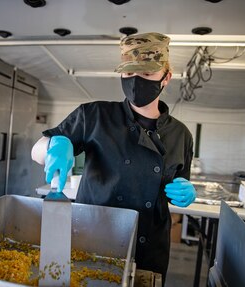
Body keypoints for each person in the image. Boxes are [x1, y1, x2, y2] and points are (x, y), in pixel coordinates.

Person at [31, 32, 196, 284]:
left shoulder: (181, 134)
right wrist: (55, 143)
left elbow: (181, 182)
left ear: (166, 78)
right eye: (129, 74)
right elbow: (37, 151)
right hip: (94, 237)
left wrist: (187, 190)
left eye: (147, 74)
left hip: (149, 247)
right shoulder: (95, 115)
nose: (136, 81)